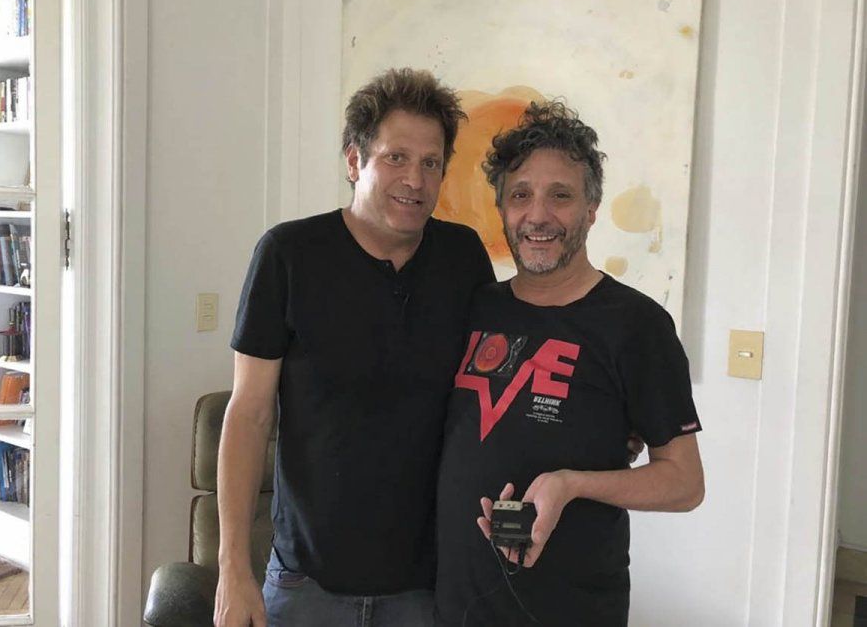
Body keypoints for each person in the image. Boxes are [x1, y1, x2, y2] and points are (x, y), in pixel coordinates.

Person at [213, 68, 494, 627]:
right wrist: (232, 569)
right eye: (396, 157)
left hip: (427, 585)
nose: (415, 179)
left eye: (431, 162)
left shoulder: (463, 258)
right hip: (307, 583)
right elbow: (248, 414)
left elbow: (498, 382)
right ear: (354, 160)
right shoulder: (288, 255)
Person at [434, 100, 705, 626]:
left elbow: (685, 483)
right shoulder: (475, 307)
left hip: (573, 609)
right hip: (457, 607)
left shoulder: (636, 324)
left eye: (560, 195)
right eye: (520, 195)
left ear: (591, 209)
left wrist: (572, 483)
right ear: (501, 209)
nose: (538, 216)